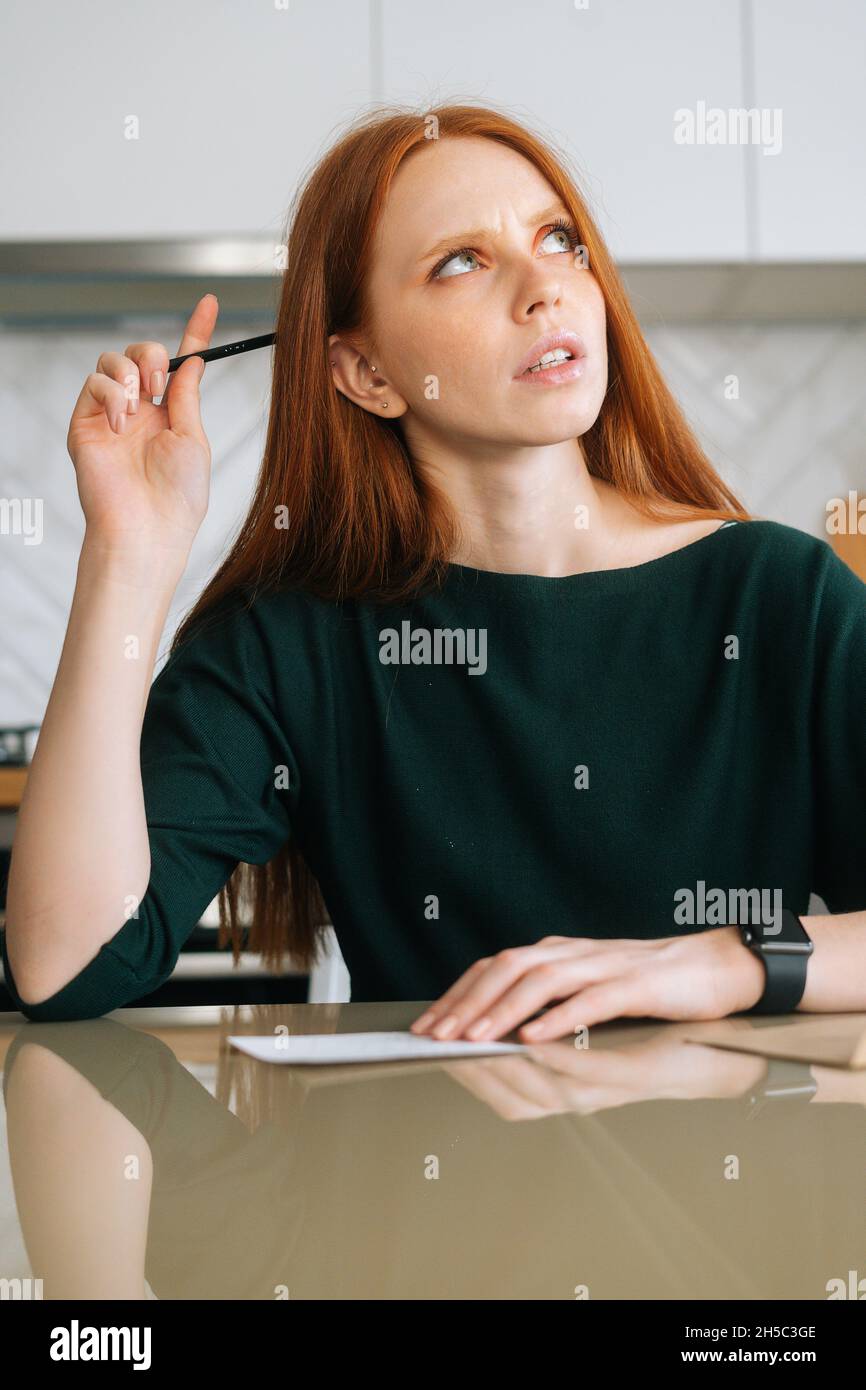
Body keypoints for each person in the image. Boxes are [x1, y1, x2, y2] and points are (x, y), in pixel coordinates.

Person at [4, 104, 866, 1035]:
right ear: (366, 371)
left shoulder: (786, 599)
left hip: (737, 1178)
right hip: (420, 1179)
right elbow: (68, 967)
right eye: (462, 260)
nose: (546, 288)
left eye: (560, 239)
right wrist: (129, 550)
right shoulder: (289, 641)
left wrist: (728, 960)